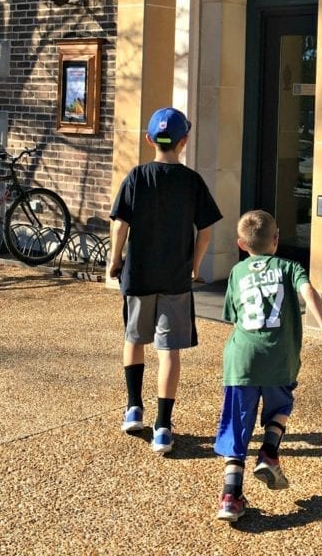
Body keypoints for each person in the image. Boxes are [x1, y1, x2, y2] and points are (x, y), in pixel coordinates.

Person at [109, 107, 222, 454]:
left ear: (149, 139)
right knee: (169, 350)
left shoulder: (137, 177)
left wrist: (115, 261)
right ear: (183, 141)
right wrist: (194, 264)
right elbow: (205, 229)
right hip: (175, 277)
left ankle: (133, 408)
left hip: (139, 273)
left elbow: (120, 224)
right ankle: (162, 425)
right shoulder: (192, 182)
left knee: (134, 339)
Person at [214, 208, 322, 522]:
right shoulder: (289, 266)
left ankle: (230, 496)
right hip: (279, 358)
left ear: (241, 244)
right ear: (277, 240)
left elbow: (232, 316)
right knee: (281, 405)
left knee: (237, 424)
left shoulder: (237, 273)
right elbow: (308, 291)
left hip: (242, 360)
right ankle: (269, 451)